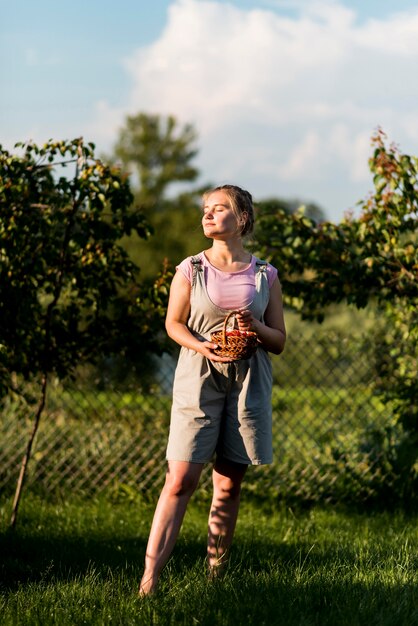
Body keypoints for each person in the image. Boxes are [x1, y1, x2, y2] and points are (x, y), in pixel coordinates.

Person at [139, 184, 286, 595]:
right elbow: (174, 324)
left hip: (248, 381)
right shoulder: (191, 269)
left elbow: (279, 340)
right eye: (205, 209)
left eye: (218, 209)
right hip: (199, 378)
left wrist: (255, 328)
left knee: (228, 483)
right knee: (180, 479)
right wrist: (202, 344)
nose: (207, 215)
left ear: (240, 219)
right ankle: (149, 581)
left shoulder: (265, 275)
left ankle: (215, 577)